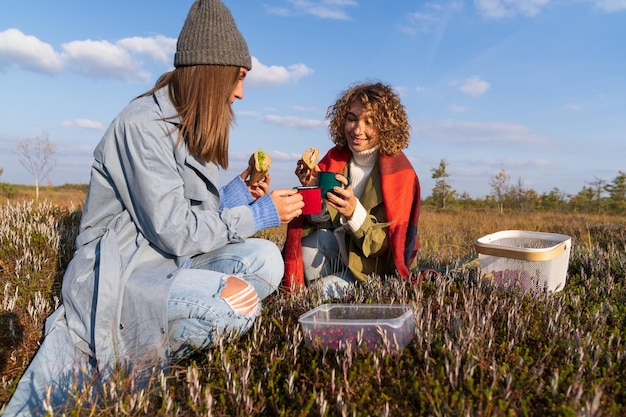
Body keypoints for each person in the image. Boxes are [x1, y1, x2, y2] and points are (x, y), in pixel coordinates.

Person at [4, 1, 304, 415]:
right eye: (237, 78)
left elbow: (183, 213)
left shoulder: (183, 122)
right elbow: (174, 230)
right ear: (211, 73)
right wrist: (261, 216)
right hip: (125, 271)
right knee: (234, 305)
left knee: (267, 259)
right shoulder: (142, 125)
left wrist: (239, 193)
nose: (241, 93)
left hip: (168, 260)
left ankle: (164, 327)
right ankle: (134, 363)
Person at [282, 82, 421, 299]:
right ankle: (324, 292)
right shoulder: (335, 160)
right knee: (308, 245)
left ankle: (348, 296)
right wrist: (312, 190)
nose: (357, 130)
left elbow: (383, 247)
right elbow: (319, 223)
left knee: (317, 293)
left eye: (370, 122)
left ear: (386, 126)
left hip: (372, 272)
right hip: (340, 252)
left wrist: (353, 212)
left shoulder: (400, 176)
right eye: (352, 118)